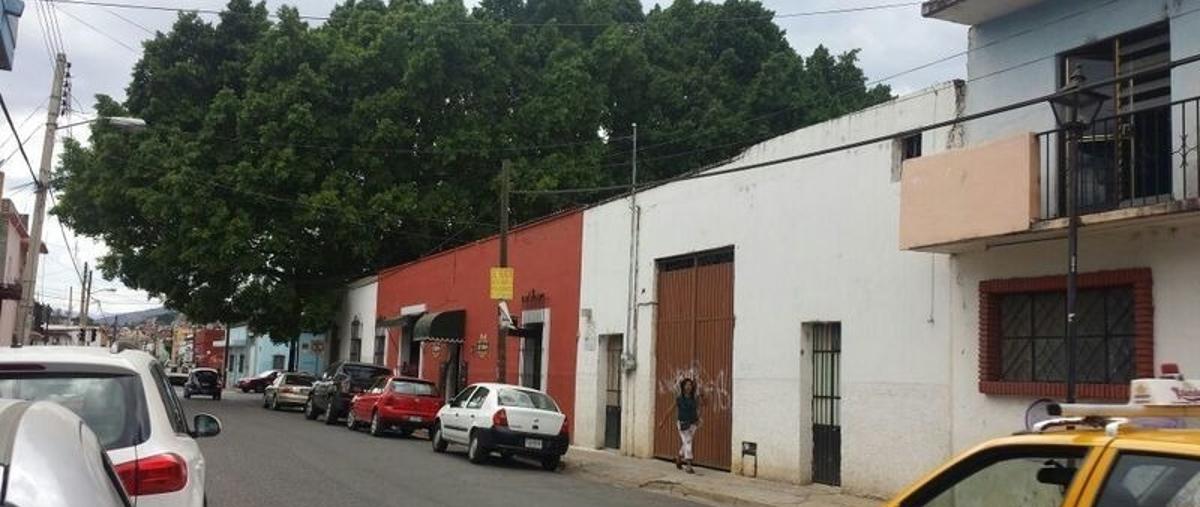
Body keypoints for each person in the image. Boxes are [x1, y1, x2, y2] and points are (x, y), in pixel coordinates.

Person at [658, 378, 701, 474]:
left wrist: (698, 420)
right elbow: (670, 410)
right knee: (688, 443)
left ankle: (678, 458)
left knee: (686, 442)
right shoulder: (679, 399)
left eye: (690, 385)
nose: (688, 387)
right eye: (686, 385)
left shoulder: (694, 398)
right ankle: (689, 466)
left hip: (693, 424)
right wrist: (663, 421)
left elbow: (697, 410)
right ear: (683, 386)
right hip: (683, 424)